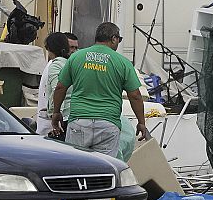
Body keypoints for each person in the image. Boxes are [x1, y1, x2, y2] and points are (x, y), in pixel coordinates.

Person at [51, 22, 147, 157]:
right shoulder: (122, 62)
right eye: (119, 39)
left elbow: (60, 87)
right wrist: (141, 122)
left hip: (79, 121)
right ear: (114, 38)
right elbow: (135, 95)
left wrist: (56, 112)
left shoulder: (76, 57)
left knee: (75, 166)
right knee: (104, 169)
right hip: (108, 123)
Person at [36, 32, 71, 136]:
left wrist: (56, 113)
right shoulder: (70, 63)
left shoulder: (55, 65)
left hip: (61, 119)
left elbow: (58, 89)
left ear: (50, 49)